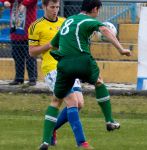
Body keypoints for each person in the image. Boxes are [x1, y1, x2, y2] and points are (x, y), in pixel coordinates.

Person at [34, 0, 132, 149]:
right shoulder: (88, 20)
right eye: (98, 10)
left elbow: (54, 44)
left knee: (56, 101)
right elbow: (105, 30)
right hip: (81, 60)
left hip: (63, 65)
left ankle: (45, 141)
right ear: (94, 9)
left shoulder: (69, 21)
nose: (98, 14)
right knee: (98, 81)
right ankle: (109, 121)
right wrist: (121, 49)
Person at [28, 0, 91, 149]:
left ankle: (52, 129)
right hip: (52, 69)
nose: (55, 10)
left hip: (69, 67)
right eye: (52, 7)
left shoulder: (65, 22)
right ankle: (81, 142)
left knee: (79, 103)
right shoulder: (36, 26)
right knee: (72, 101)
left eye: (57, 7)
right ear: (44, 6)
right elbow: (31, 52)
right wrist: (49, 45)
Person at [2, 0, 37, 86]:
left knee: (30, 56)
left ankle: (32, 78)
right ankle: (19, 78)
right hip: (15, 32)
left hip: (28, 32)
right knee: (17, 56)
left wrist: (24, 4)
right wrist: (5, 1)